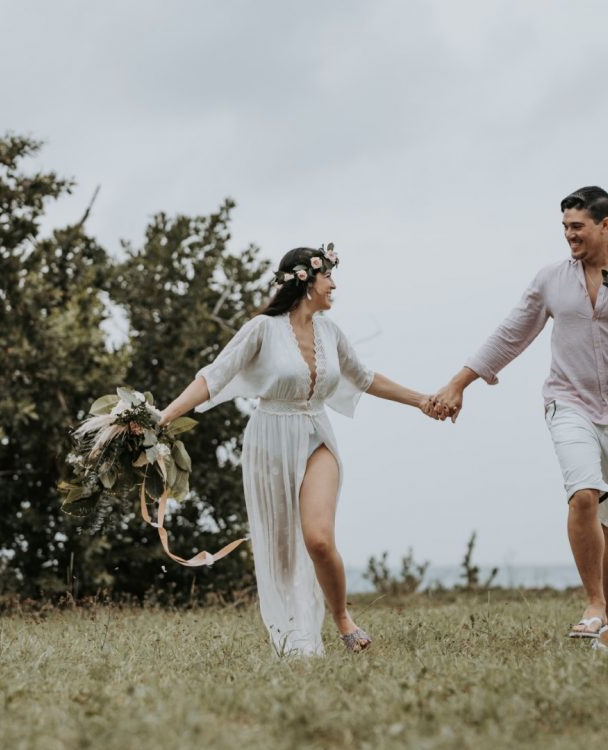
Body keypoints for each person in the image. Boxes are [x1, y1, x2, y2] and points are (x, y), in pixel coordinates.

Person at [427, 187, 608, 651]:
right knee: (584, 494)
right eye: (564, 227)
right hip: (568, 402)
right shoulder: (551, 280)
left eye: (577, 227)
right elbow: (511, 333)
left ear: (605, 225)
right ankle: (591, 604)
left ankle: (607, 619)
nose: (569, 236)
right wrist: (459, 383)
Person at [159, 245, 430, 656]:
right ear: (306, 281)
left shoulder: (331, 332)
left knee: (319, 540)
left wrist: (422, 401)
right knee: (281, 547)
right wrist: (163, 417)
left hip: (316, 434)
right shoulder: (262, 330)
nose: (334, 284)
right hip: (270, 438)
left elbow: (365, 378)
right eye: (329, 277)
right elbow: (213, 377)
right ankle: (292, 636)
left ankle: (342, 618)